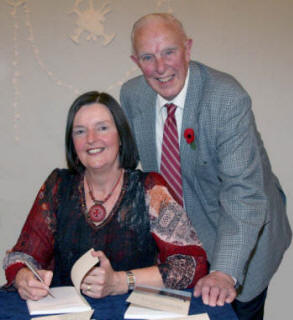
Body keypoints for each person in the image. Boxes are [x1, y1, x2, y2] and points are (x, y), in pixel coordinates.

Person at [120, 13, 292, 319]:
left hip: (244, 234)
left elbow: (244, 194)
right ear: (136, 61)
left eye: (169, 52)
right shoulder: (133, 95)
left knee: (236, 309)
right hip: (182, 243)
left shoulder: (225, 98)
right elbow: (129, 172)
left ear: (188, 49)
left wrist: (225, 271)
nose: (160, 68)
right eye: (148, 57)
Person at [3, 91, 207, 301]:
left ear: (121, 136)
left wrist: (120, 281)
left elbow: (192, 264)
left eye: (102, 128)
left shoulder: (150, 189)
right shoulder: (57, 186)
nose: (91, 139)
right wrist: (23, 277)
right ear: (72, 142)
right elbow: (22, 256)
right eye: (80, 131)